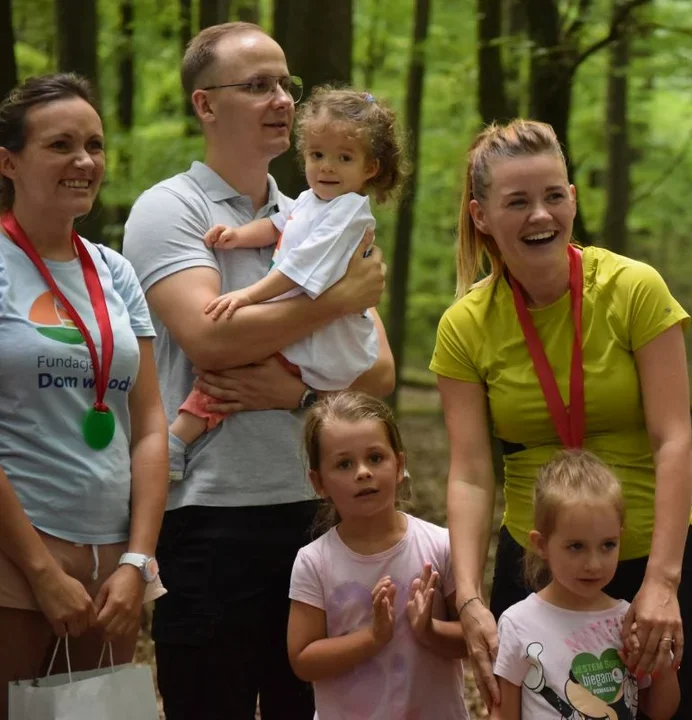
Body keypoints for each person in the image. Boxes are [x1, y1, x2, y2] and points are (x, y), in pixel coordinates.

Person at [122, 22, 392, 719]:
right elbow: (213, 339)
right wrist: (338, 300)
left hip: (314, 516)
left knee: (305, 707)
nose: (282, 101)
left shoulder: (319, 208)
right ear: (205, 105)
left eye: (286, 86)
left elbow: (380, 370)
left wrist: (301, 391)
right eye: (258, 86)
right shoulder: (169, 210)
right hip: (211, 518)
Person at [430, 119, 692, 718]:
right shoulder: (465, 325)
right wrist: (468, 599)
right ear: (482, 216)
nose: (541, 216)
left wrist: (662, 584)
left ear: (573, 199)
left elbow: (674, 440)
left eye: (554, 196)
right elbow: (470, 474)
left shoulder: (635, 289)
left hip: (649, 556)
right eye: (518, 202)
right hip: (536, 564)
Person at [0, 74, 168, 717]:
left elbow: (149, 423)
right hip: (19, 558)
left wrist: (136, 561)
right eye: (61, 145)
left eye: (94, 145)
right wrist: (41, 572)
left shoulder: (114, 269)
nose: (84, 162)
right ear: (8, 161)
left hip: (112, 567)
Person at [170, 86, 404, 473]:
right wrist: (238, 235)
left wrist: (248, 296)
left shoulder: (349, 214)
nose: (327, 167)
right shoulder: (315, 201)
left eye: (344, 158)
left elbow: (299, 268)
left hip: (326, 340)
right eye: (317, 155)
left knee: (234, 369)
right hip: (305, 324)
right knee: (236, 371)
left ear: (370, 168)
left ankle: (176, 440)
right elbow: (280, 224)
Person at [288, 391, 469, 720]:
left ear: (399, 465)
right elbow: (303, 659)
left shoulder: (441, 545)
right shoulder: (314, 561)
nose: (363, 472)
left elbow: (472, 639)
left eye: (375, 458)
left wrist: (429, 630)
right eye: (344, 464)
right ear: (319, 482)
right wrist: (372, 637)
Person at [491, 450, 680, 720]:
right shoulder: (518, 623)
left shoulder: (629, 621)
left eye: (608, 545)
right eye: (576, 546)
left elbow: (660, 711)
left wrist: (662, 667)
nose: (594, 563)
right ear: (542, 545)